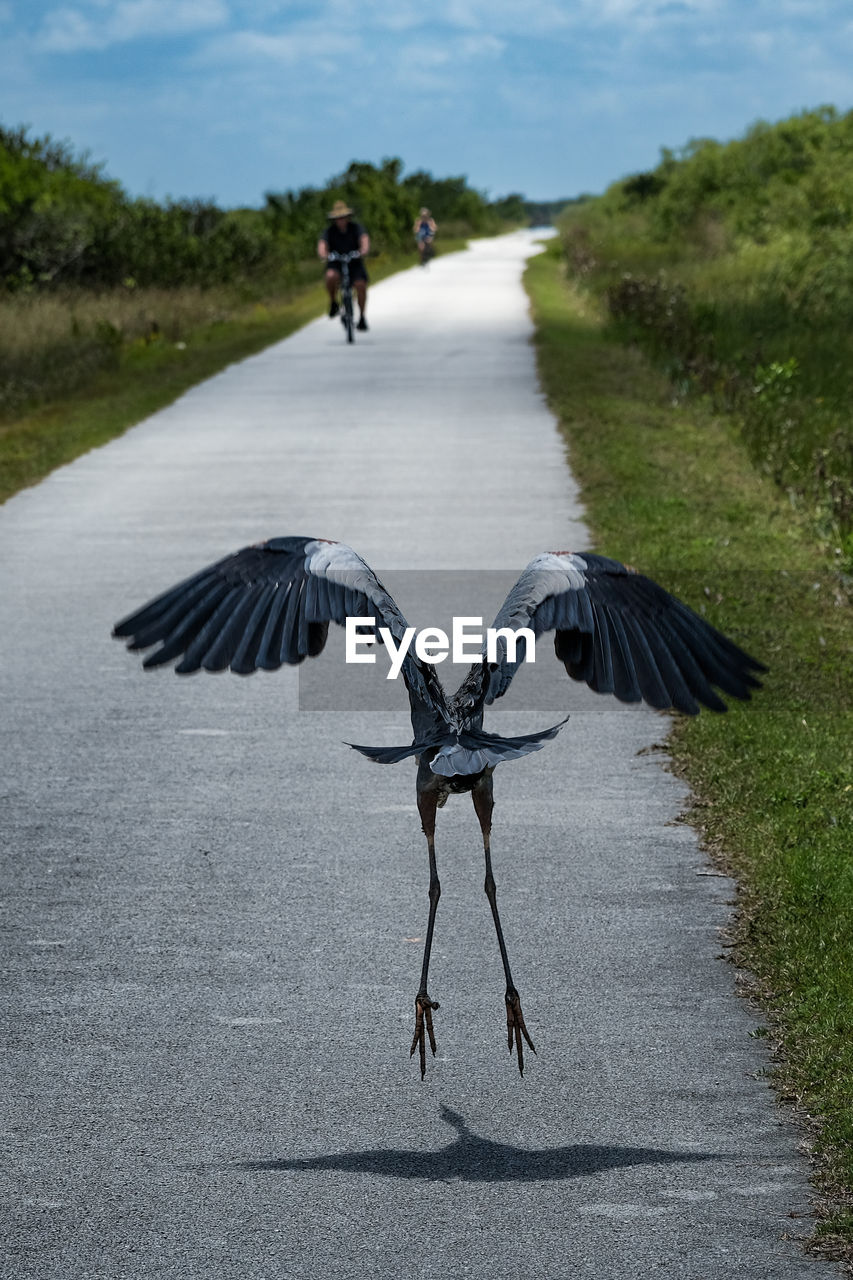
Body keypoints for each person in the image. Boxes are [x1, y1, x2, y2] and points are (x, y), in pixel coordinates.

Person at [317, 201, 370, 331]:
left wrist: (363, 250)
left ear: (348, 217)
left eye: (343, 217)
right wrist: (324, 254)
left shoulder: (356, 228)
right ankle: (334, 302)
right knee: (330, 276)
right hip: (336, 262)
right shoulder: (329, 231)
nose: (341, 220)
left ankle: (362, 317)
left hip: (354, 261)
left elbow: (364, 239)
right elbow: (322, 245)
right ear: (334, 219)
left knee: (361, 285)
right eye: (338, 218)